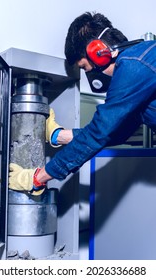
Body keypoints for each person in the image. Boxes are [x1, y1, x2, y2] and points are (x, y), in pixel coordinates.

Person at [9, 12, 156, 194]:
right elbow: (117, 132)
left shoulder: (132, 66)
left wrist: (38, 178)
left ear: (98, 53)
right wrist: (59, 136)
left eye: (84, 68)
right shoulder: (142, 59)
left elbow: (99, 133)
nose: (90, 75)